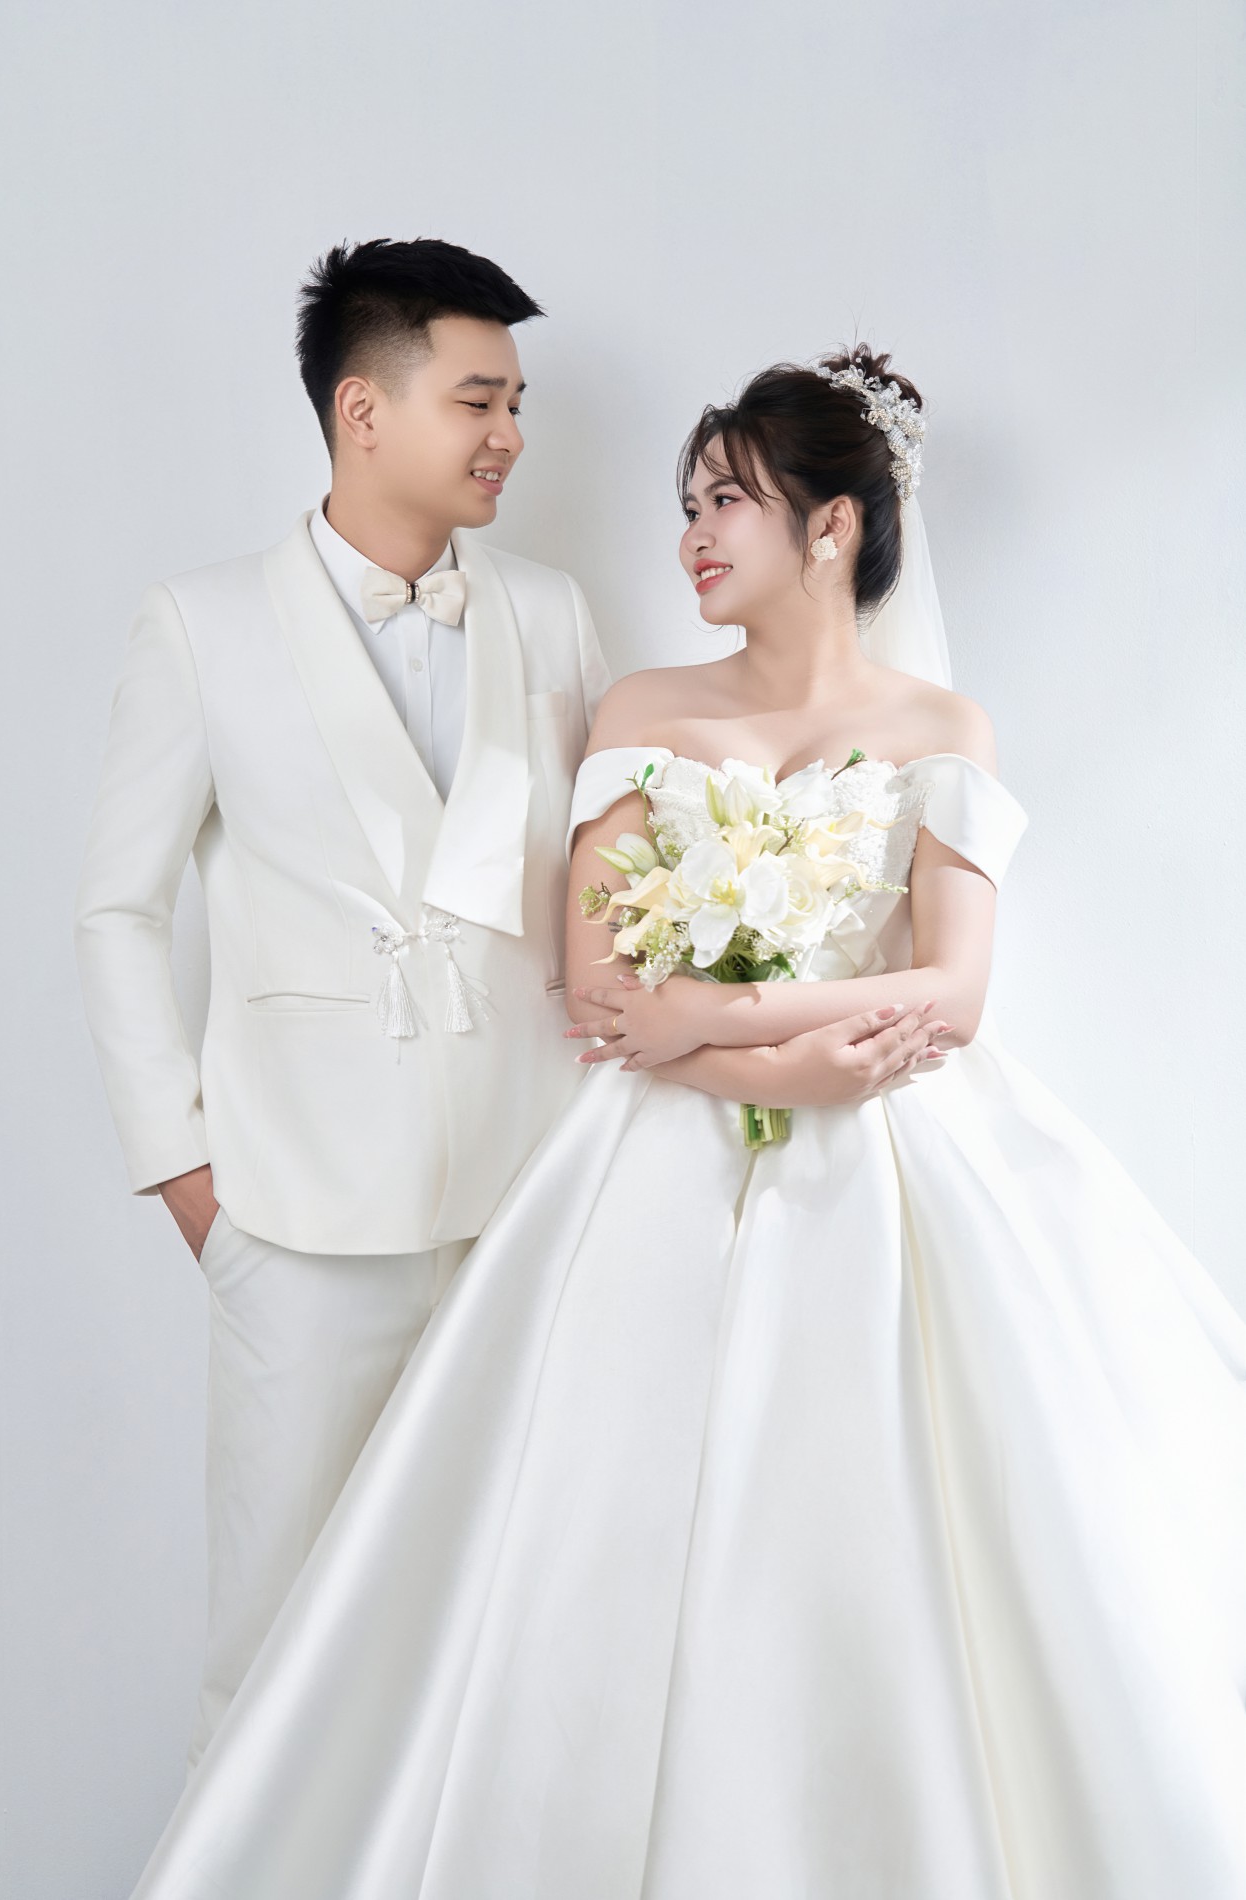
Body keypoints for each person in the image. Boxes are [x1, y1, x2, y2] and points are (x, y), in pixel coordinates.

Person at [127, 346, 1246, 1899]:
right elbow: (602, 987)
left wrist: (720, 1027)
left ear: (832, 526)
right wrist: (784, 1055)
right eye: (687, 504)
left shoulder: (943, 726)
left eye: (726, 501)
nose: (690, 535)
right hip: (649, 1168)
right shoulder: (645, 708)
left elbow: (951, 991)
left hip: (893, 1166)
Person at [74, 235, 623, 1766]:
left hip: (526, 1207)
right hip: (296, 1217)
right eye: (478, 400)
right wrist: (187, 1176)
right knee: (277, 1645)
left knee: (517, 1626)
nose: (511, 435)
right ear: (361, 410)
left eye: (517, 403)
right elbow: (118, 909)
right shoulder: (202, 623)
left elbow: (609, 884)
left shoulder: (554, 615)